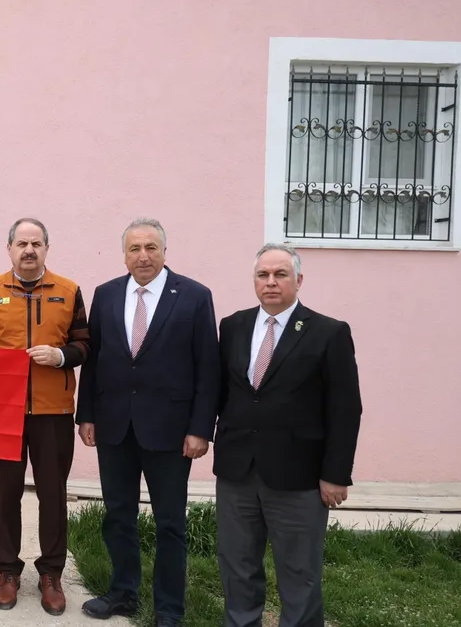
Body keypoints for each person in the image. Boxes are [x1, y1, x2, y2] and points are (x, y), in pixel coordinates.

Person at [75, 219, 220, 626]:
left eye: (151, 247)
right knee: (118, 514)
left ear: (164, 252)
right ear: (124, 254)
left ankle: (168, 608)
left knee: (170, 522)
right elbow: (95, 359)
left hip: (171, 432)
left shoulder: (193, 296)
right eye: (135, 248)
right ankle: (123, 592)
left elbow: (207, 368)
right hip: (114, 425)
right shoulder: (105, 295)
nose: (143, 255)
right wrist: (86, 414)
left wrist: (199, 428)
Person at [215, 243, 362, 627]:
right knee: (238, 566)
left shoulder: (329, 333)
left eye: (280, 275)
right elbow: (220, 391)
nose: (271, 282)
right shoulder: (233, 326)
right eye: (263, 275)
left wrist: (335, 473)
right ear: (254, 281)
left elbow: (346, 410)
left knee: (299, 572)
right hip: (237, 471)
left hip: (298, 477)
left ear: (299, 280)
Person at [0, 217, 91, 616]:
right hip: (3, 411)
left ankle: (51, 573)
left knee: (53, 494)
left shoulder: (69, 291)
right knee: (5, 493)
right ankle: (7, 570)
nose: (28, 250)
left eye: (36, 243)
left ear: (46, 249)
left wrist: (60, 357)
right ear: (8, 248)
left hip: (53, 410)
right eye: (21, 243)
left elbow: (85, 346)